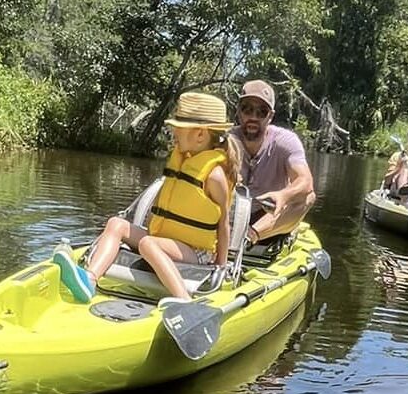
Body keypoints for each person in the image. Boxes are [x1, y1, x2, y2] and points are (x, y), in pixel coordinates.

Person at [54, 91, 235, 304]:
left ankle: (184, 300)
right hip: (165, 239)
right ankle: (90, 280)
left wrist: (221, 268)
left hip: (196, 252)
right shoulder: (184, 162)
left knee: (148, 244)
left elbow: (223, 223)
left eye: (179, 127)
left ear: (201, 135)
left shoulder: (214, 176)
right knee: (116, 224)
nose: (173, 131)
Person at [231, 79, 316, 249]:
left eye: (261, 111)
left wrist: (283, 195)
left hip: (266, 219)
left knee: (308, 197)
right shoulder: (225, 141)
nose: (253, 117)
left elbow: (305, 181)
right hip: (230, 217)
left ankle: (249, 237)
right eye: (247, 109)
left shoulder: (285, 141)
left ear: (270, 116)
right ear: (239, 112)